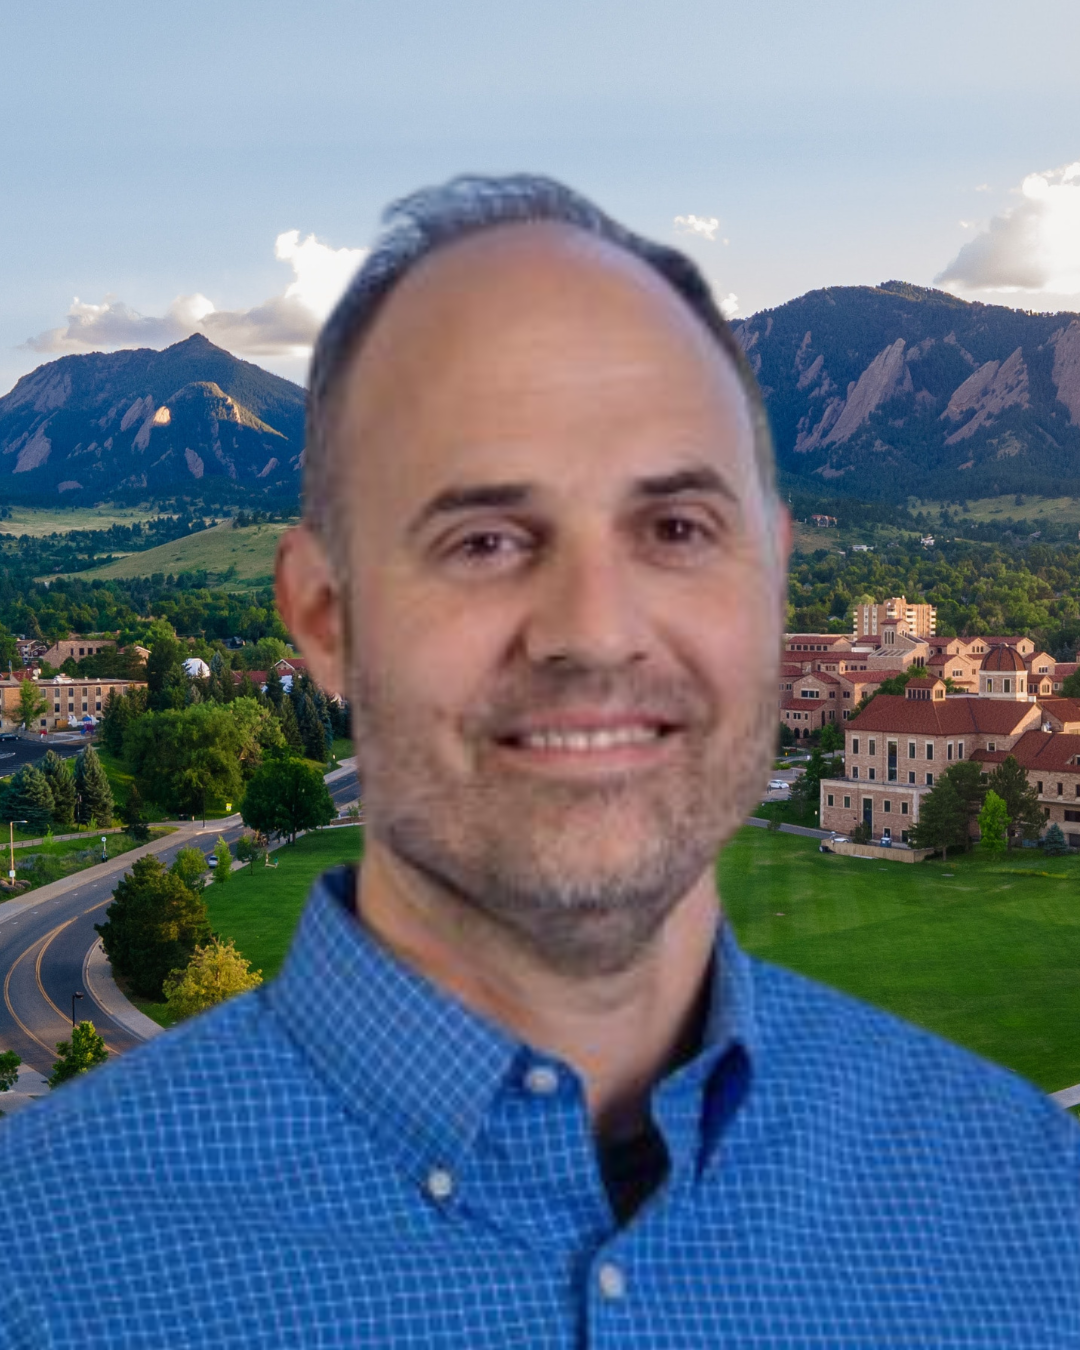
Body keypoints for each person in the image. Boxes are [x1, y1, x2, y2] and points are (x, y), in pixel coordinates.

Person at [1, 175, 1078, 1346]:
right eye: (485, 538)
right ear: (322, 615)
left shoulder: (1031, 1211)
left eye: (676, 529)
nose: (592, 628)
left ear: (769, 582)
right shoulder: (40, 1263)